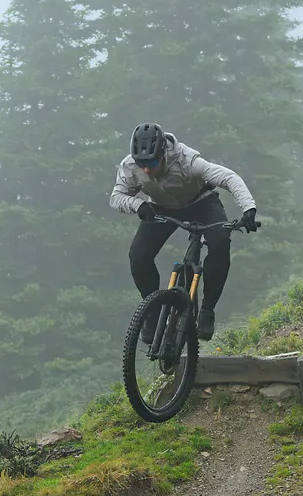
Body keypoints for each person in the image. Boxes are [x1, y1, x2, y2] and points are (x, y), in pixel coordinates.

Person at [110, 122, 260, 340]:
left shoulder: (187, 161)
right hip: (160, 207)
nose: (146, 170)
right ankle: (152, 309)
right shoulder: (129, 166)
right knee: (138, 256)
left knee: (220, 242)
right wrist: (139, 206)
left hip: (201, 203)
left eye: (151, 163)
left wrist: (249, 209)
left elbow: (229, 178)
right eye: (141, 163)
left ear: (163, 154)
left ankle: (207, 311)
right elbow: (116, 197)